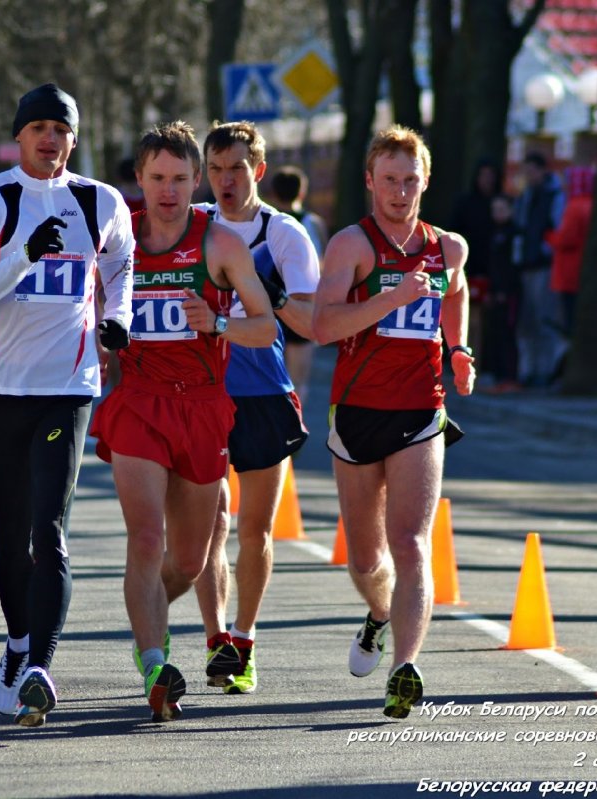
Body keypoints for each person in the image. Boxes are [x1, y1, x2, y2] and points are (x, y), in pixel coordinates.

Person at [0, 83, 134, 728]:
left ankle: (39, 668)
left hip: (70, 387)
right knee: (9, 543)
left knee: (48, 531)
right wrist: (26, 254)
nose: (49, 139)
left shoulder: (100, 201)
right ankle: (17, 645)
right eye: (38, 129)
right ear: (19, 137)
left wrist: (120, 318)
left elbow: (119, 264)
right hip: (0, 388)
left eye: (61, 129)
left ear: (73, 140)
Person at [90, 121, 276, 721]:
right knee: (145, 539)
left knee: (191, 561)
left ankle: (147, 614)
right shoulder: (117, 242)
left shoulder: (219, 244)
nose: (167, 191)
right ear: (137, 181)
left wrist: (217, 324)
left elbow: (267, 326)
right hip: (139, 401)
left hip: (201, 405)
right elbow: (82, 318)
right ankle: (154, 661)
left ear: (196, 181)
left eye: (178, 179)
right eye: (155, 179)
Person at [312, 126, 475, 719]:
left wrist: (458, 351)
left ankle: (405, 668)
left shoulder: (447, 248)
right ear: (370, 182)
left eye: (411, 180)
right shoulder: (350, 246)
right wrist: (392, 298)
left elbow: (455, 296)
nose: (401, 192)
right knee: (365, 560)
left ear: (425, 180)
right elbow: (323, 327)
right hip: (356, 413)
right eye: (390, 181)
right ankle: (378, 614)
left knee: (410, 543)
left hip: (421, 410)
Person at [192, 123, 319, 695]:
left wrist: (271, 295)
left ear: (258, 171)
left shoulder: (284, 233)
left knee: (255, 529)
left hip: (264, 393)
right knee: (208, 525)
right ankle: (218, 639)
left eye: (237, 168)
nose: (226, 180)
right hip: (198, 394)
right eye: (216, 169)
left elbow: (313, 322)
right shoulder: (192, 228)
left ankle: (244, 637)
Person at [267, 164, 328, 406]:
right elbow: (324, 267)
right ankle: (294, 433)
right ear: (301, 193)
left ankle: (277, 433)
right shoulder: (315, 224)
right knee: (297, 381)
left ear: (273, 193)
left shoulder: (267, 222)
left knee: (271, 379)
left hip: (271, 306)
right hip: (303, 307)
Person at [513, 151, 565, 388]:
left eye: (531, 170)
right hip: (527, 263)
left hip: (544, 265)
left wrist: (546, 250)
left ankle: (546, 370)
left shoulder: (553, 196)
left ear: (543, 170)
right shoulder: (526, 197)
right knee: (528, 320)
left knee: (544, 318)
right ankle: (529, 369)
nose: (528, 175)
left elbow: (556, 228)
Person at [449, 158, 502, 360]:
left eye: (491, 176)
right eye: (484, 176)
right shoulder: (465, 203)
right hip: (468, 267)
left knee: (488, 320)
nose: (487, 180)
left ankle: (483, 360)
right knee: (469, 318)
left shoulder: (500, 203)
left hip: (493, 269)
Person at [549, 166, 595, 344]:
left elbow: (566, 239)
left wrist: (548, 236)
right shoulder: (593, 204)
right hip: (585, 270)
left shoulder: (575, 207)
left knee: (570, 317)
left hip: (570, 271)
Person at [482, 194, 522, 393]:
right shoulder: (494, 233)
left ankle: (510, 377)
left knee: (508, 333)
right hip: (495, 290)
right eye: (494, 210)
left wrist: (505, 290)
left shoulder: (515, 234)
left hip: (509, 293)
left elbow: (514, 265)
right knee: (496, 332)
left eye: (501, 209)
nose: (497, 214)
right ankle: (499, 377)